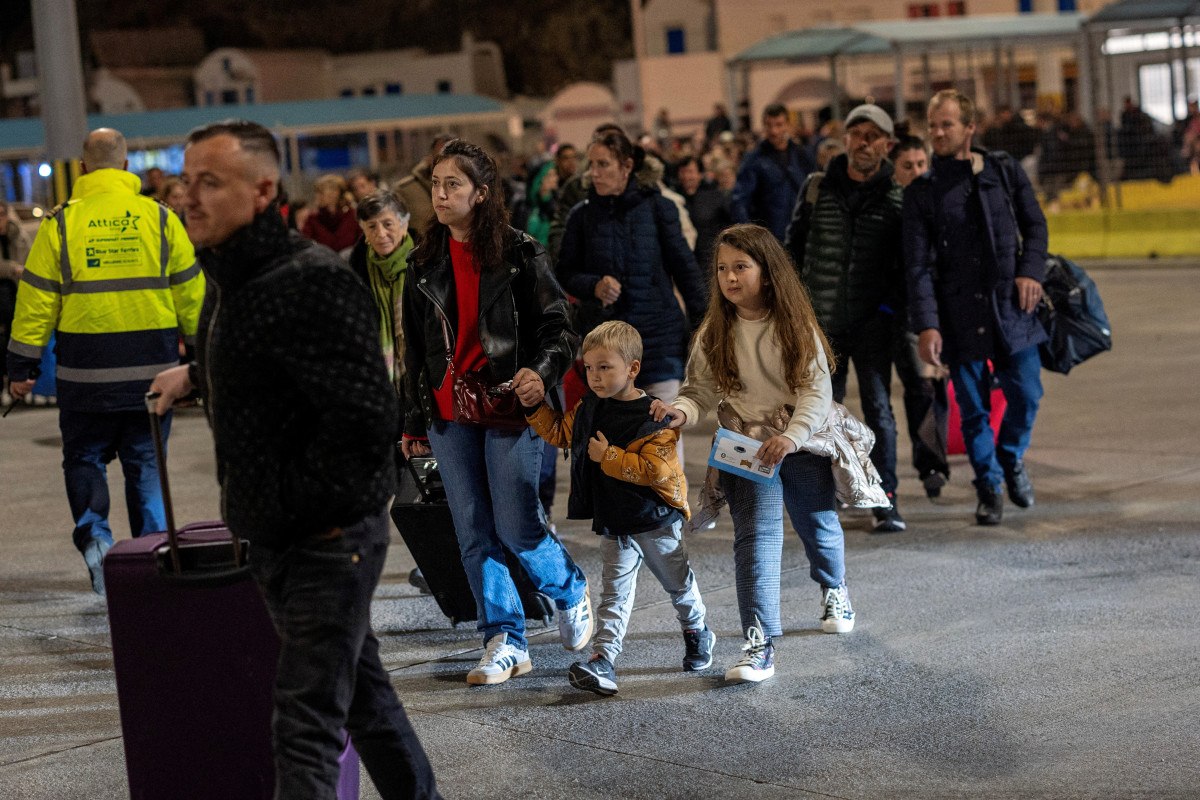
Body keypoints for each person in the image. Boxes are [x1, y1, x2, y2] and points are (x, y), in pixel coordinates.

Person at [149, 119, 441, 800]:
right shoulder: (227, 280)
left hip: (327, 539)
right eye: (185, 182)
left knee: (303, 726)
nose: (189, 197)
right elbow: (268, 365)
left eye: (209, 183)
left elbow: (368, 418)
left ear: (263, 190)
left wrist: (308, 509)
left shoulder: (309, 279)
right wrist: (194, 376)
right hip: (274, 536)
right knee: (365, 704)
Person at [399, 138, 593, 686]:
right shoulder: (422, 262)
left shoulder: (520, 253)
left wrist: (543, 372)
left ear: (481, 194)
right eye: (435, 183)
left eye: (452, 184)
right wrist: (413, 423)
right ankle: (504, 638)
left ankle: (569, 588)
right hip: (448, 412)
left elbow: (559, 328)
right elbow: (414, 351)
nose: (439, 193)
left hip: (511, 402)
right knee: (472, 531)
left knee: (516, 524)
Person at [651, 224, 853, 684]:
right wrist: (682, 412)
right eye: (722, 269)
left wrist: (793, 435)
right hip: (744, 445)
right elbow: (699, 389)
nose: (730, 277)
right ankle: (759, 642)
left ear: (768, 271)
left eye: (741, 267)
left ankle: (834, 586)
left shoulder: (795, 325)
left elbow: (815, 391)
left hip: (800, 441)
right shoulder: (714, 329)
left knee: (816, 523)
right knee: (756, 539)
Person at [5, 129, 203, 595]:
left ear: (84, 167)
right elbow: (192, 293)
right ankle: (152, 556)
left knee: (84, 458)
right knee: (147, 463)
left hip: (85, 375)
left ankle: (96, 540)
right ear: (127, 165)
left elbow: (35, 302)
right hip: (151, 373)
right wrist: (200, 357)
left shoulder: (60, 224)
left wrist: (21, 367)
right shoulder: (160, 219)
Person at [524, 320, 713, 696]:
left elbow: (657, 471)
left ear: (633, 368)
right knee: (614, 594)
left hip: (654, 521)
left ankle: (697, 631)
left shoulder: (655, 415)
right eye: (589, 368)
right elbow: (563, 433)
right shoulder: (589, 407)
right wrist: (535, 406)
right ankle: (603, 660)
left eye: (605, 367)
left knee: (678, 585)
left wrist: (608, 456)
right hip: (614, 521)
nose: (594, 377)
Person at [903, 90, 1048, 526]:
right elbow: (917, 268)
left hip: (1012, 307)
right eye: (932, 125)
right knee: (972, 410)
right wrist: (928, 325)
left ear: (970, 127)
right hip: (958, 315)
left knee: (1027, 394)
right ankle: (988, 485)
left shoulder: (1004, 171)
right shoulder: (922, 193)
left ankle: (1010, 459)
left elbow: (1035, 225)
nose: (937, 133)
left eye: (946, 124)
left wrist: (1031, 271)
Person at [784, 104, 906, 533]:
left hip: (874, 323)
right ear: (846, 139)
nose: (864, 143)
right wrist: (795, 313)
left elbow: (904, 263)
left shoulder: (897, 195)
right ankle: (823, 500)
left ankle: (884, 498)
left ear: (887, 144)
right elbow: (791, 252)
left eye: (874, 136)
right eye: (857, 134)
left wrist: (889, 309)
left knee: (878, 411)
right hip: (823, 326)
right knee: (819, 413)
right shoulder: (819, 187)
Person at [556, 128, 707, 420]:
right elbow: (565, 272)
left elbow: (685, 270)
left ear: (626, 166)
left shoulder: (660, 208)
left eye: (603, 164)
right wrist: (594, 285)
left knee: (663, 434)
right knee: (618, 438)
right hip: (607, 345)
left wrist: (707, 327)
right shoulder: (581, 216)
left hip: (659, 338)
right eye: (592, 164)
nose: (594, 173)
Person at [888, 135, 950, 499]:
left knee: (925, 389)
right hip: (895, 311)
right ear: (895, 171)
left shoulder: (936, 202)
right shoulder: (891, 206)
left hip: (927, 311)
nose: (915, 171)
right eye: (907, 165)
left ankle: (931, 465)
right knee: (907, 389)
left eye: (920, 164)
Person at [348, 191, 415, 398]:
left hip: (420, 372)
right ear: (363, 232)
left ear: (403, 225)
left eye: (388, 224)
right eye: (371, 226)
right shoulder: (356, 266)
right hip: (376, 375)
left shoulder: (426, 260)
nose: (380, 233)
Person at [731, 103, 816, 242]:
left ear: (788, 125)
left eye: (779, 124)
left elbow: (814, 193)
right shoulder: (754, 159)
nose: (774, 131)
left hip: (803, 235)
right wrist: (749, 238)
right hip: (771, 240)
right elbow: (740, 201)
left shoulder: (803, 155)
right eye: (769, 125)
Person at [675, 154, 732, 268]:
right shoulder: (674, 199)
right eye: (683, 172)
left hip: (711, 260)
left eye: (690, 171)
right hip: (684, 262)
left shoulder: (715, 197)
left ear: (700, 174)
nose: (686, 176)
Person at [395, 133, 454, 241]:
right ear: (430, 157)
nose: (446, 162)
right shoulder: (405, 189)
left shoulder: (470, 188)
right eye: (440, 156)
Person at [301, 174, 359, 255]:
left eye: (321, 192)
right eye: (317, 192)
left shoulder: (353, 215)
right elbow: (305, 243)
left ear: (335, 193)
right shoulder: (312, 218)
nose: (317, 196)